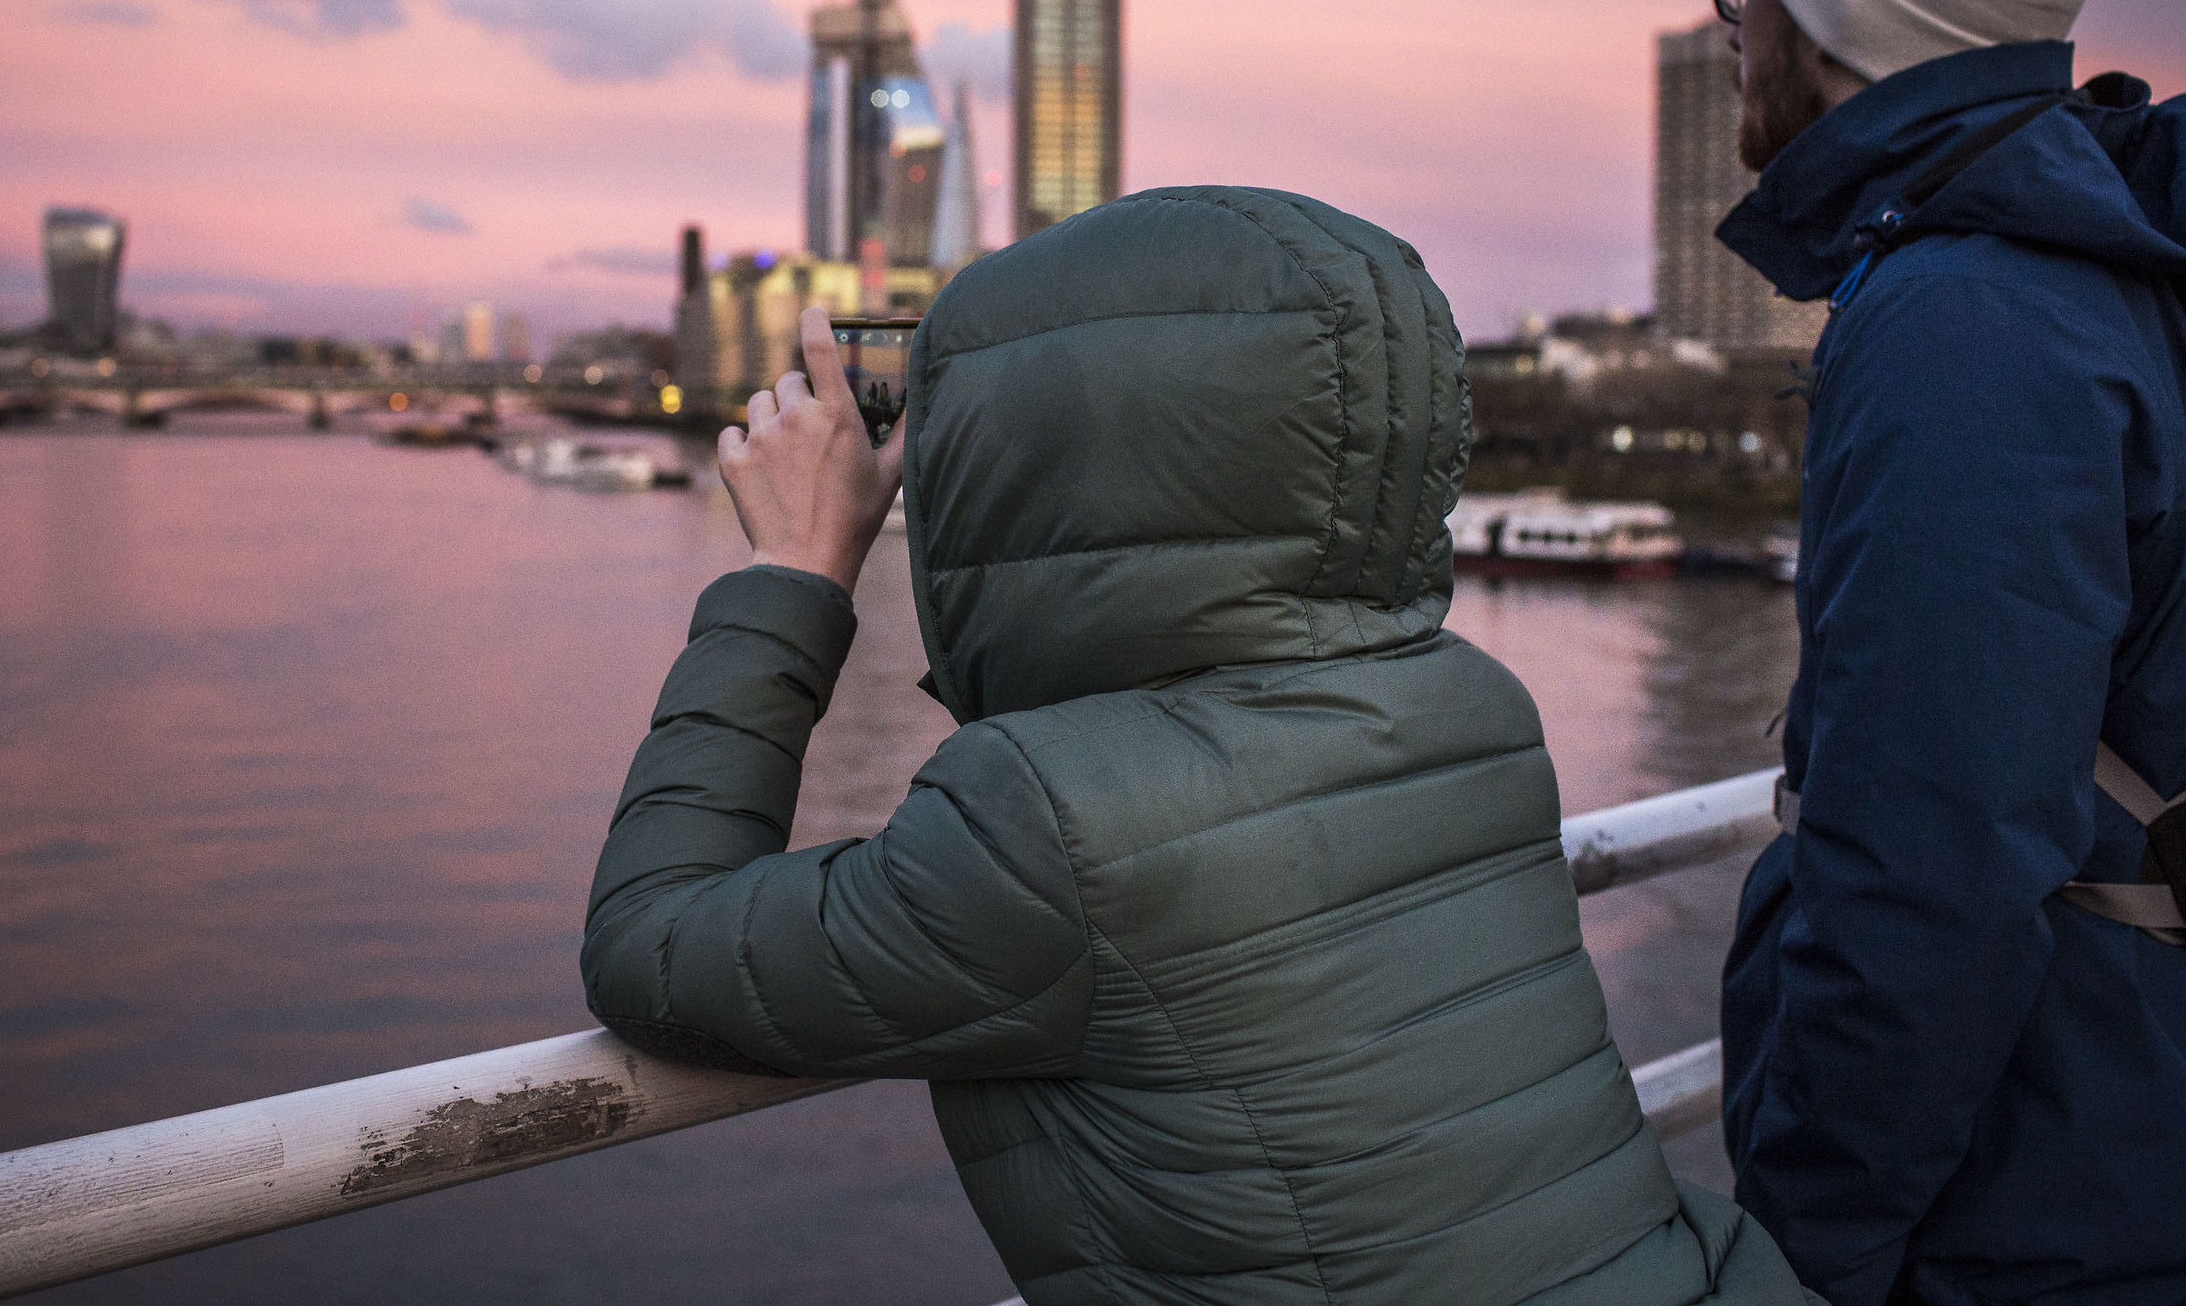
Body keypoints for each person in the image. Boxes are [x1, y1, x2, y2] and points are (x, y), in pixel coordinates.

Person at [584, 188, 1814, 1303]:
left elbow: (651, 942)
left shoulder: (1045, 818)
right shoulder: (1471, 705)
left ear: (1025, 468)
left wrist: (795, 572)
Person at [1710, 0, 2186, 1306]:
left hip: (2030, 1222)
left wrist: (1811, 1240)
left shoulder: (1965, 322)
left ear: (1838, 12)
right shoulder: (2090, 266)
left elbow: (1932, 864)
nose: (1733, 24)